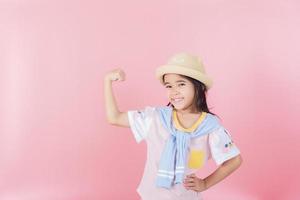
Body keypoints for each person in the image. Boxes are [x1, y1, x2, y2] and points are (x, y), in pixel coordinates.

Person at [104, 52, 243, 200]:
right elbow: (115, 118)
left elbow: (234, 160)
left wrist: (205, 183)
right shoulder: (155, 118)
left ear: (199, 87)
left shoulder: (210, 127)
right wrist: (107, 81)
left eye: (181, 84)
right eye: (169, 86)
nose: (174, 91)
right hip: (153, 196)